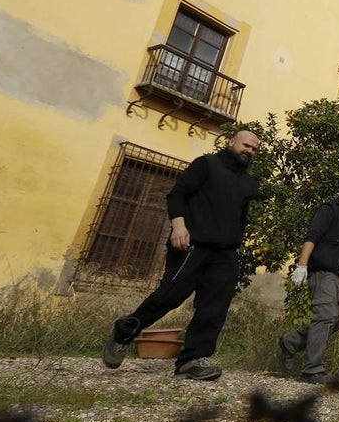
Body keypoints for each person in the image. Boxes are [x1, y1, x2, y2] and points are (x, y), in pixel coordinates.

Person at [101, 130, 262, 381]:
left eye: (254, 149)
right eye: (246, 145)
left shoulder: (248, 182)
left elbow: (240, 216)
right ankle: (125, 330)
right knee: (169, 296)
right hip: (192, 245)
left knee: (214, 308)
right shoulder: (206, 164)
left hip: (225, 253)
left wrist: (235, 243)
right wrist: (178, 226)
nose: (249, 151)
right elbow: (176, 195)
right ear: (231, 142)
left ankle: (192, 361)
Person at [278, 172, 339, 384]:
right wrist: (301, 266)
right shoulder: (328, 210)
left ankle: (290, 342)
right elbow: (312, 237)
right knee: (325, 315)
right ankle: (312, 370)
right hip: (323, 272)